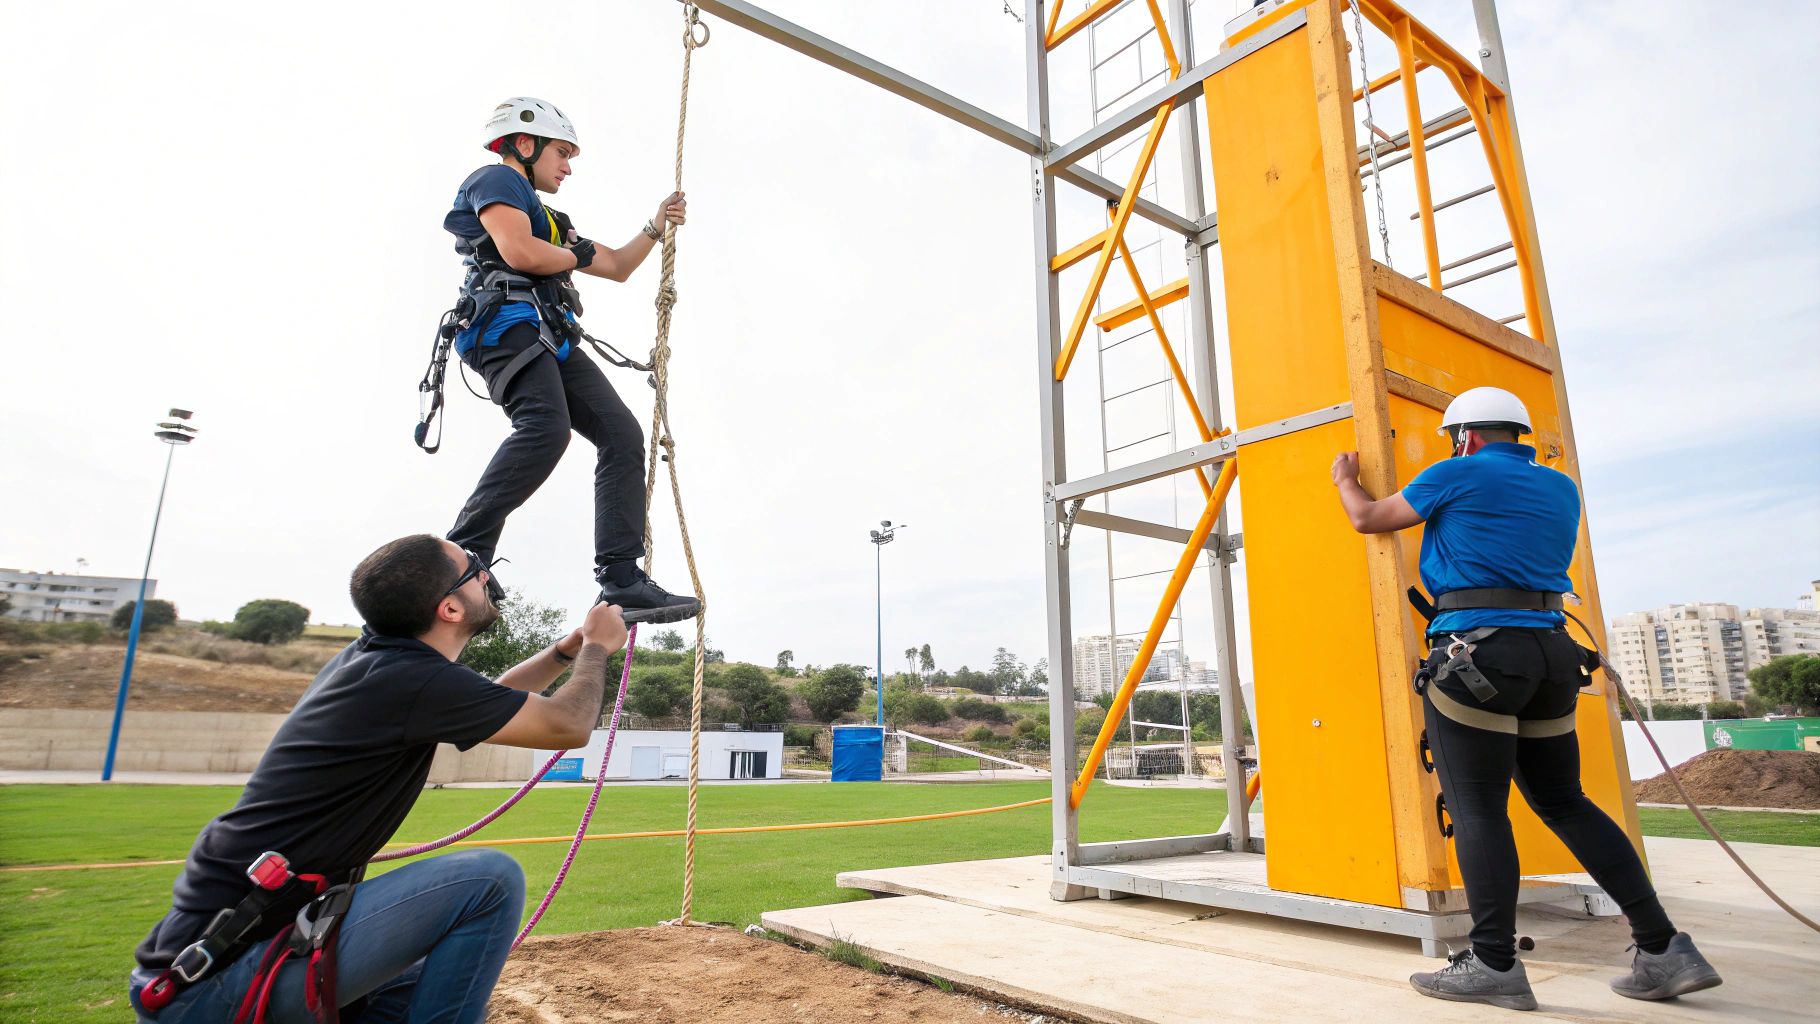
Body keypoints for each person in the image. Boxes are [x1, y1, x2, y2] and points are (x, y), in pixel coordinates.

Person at [1331, 386, 1722, 1011]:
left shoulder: (1454, 473)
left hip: (1479, 657)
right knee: (1566, 802)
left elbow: (1369, 519)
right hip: (1550, 657)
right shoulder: (1560, 487)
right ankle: (1664, 947)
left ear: (1466, 436)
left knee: (1480, 809)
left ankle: (1493, 964)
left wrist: (1345, 479)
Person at [130, 535, 628, 1022]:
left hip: (234, 957)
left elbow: (495, 698)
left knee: (412, 989)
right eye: (476, 569)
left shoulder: (382, 662)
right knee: (489, 881)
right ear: (449, 609)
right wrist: (598, 649)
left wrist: (566, 650)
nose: (487, 575)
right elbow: (568, 724)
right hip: (212, 984)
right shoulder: (409, 679)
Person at [443, 96, 699, 623]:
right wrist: (575, 257)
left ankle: (621, 579)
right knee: (545, 426)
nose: (568, 165)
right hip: (505, 327)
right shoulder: (497, 179)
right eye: (561, 152)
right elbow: (520, 254)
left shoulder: (552, 219)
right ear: (523, 144)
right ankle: (462, 556)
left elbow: (617, 265)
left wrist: (655, 226)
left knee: (621, 433)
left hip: (548, 334)